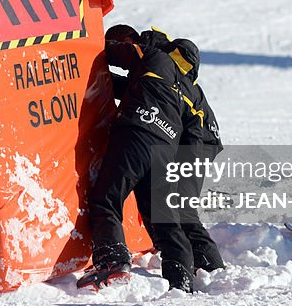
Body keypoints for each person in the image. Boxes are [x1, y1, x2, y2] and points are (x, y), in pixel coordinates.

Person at [78, 28, 199, 291]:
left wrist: (85, 43)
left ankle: (113, 260)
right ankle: (182, 277)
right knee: (163, 217)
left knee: (106, 198)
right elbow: (122, 85)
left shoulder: (153, 55)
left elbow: (112, 52)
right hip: (166, 149)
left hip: (137, 133)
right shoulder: (183, 85)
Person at [108, 26, 226, 274]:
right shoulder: (167, 67)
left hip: (196, 141)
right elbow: (130, 89)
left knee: (181, 207)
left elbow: (133, 88)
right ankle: (190, 261)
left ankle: (212, 269)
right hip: (197, 139)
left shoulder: (156, 60)